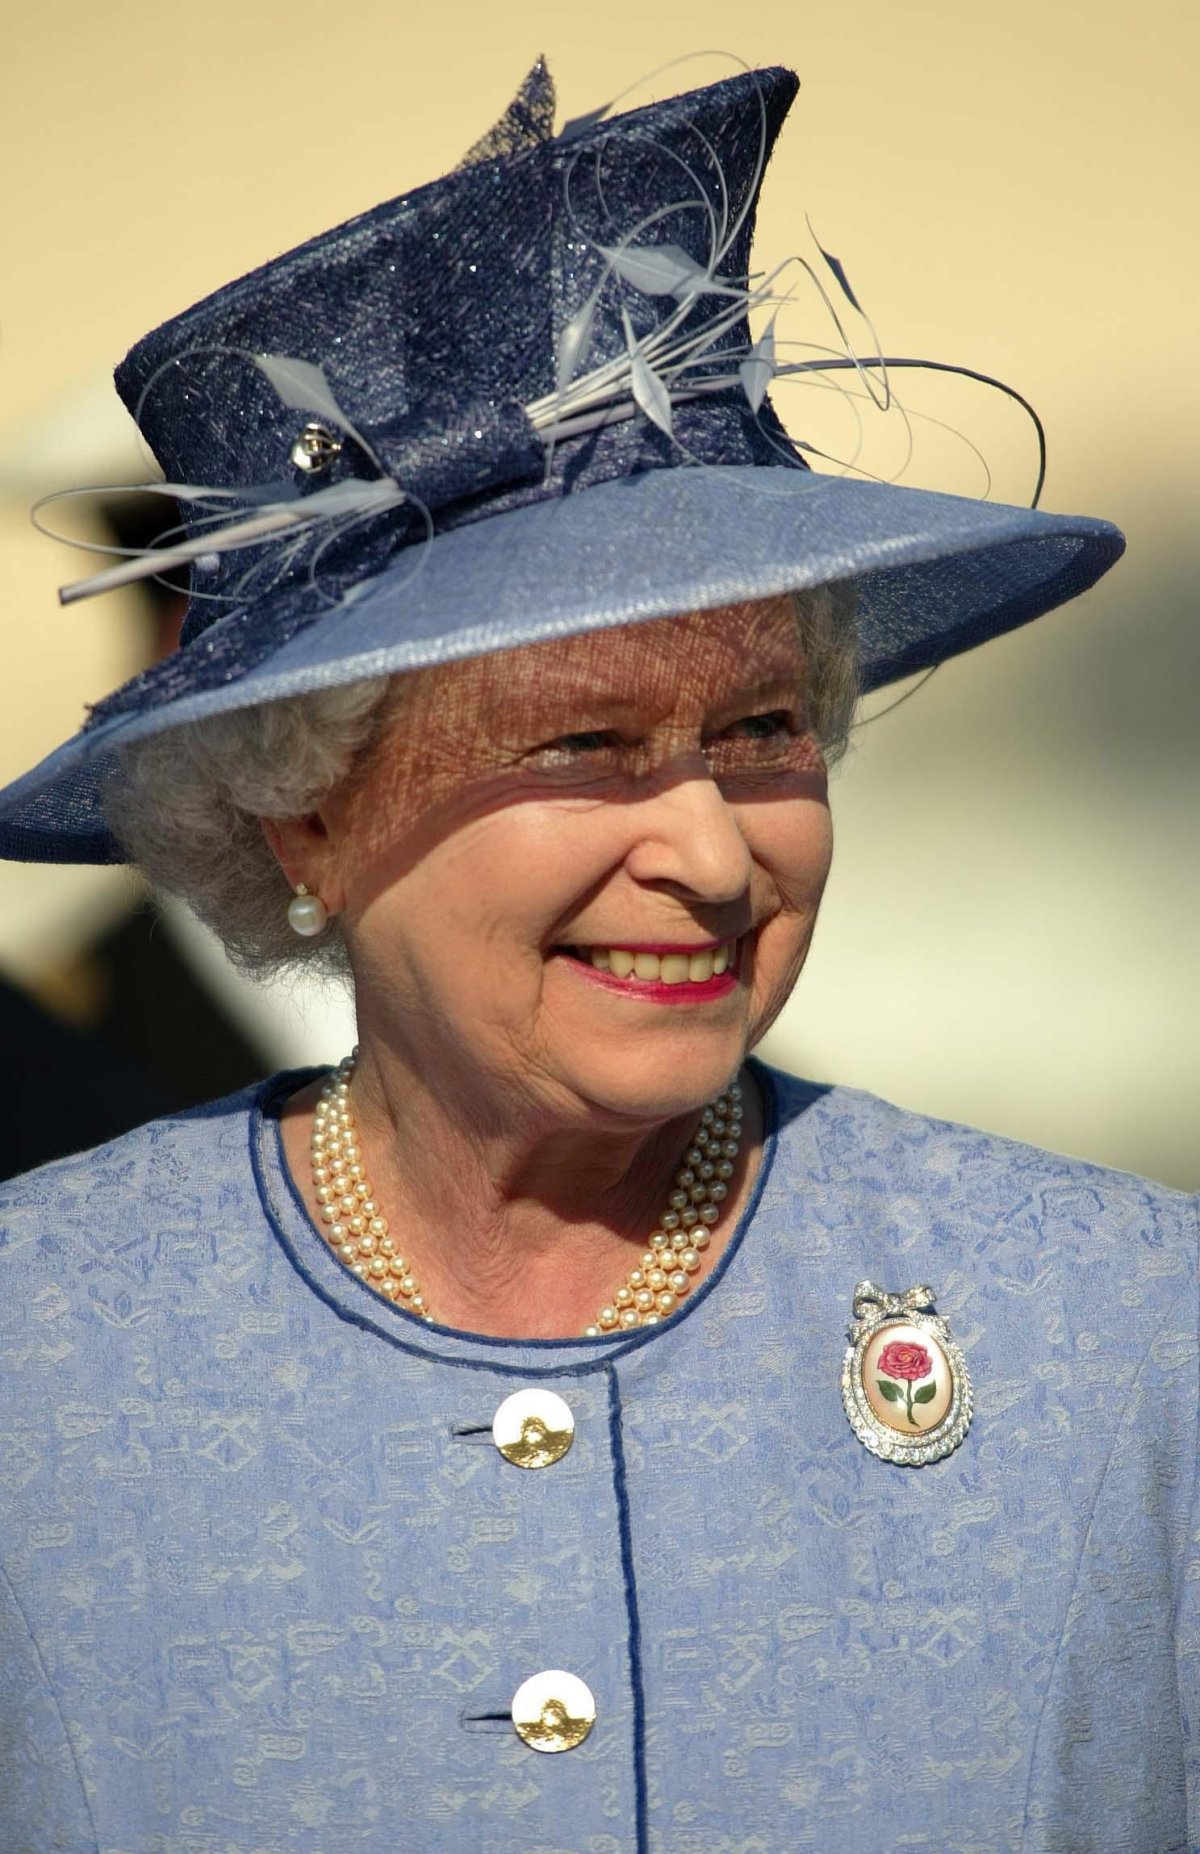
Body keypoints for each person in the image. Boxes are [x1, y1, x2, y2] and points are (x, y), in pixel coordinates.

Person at [0, 57, 1193, 1853]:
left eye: (770, 728)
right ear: (299, 813)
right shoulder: (38, 1350)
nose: (715, 853)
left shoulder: (1129, 1330)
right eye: (581, 746)